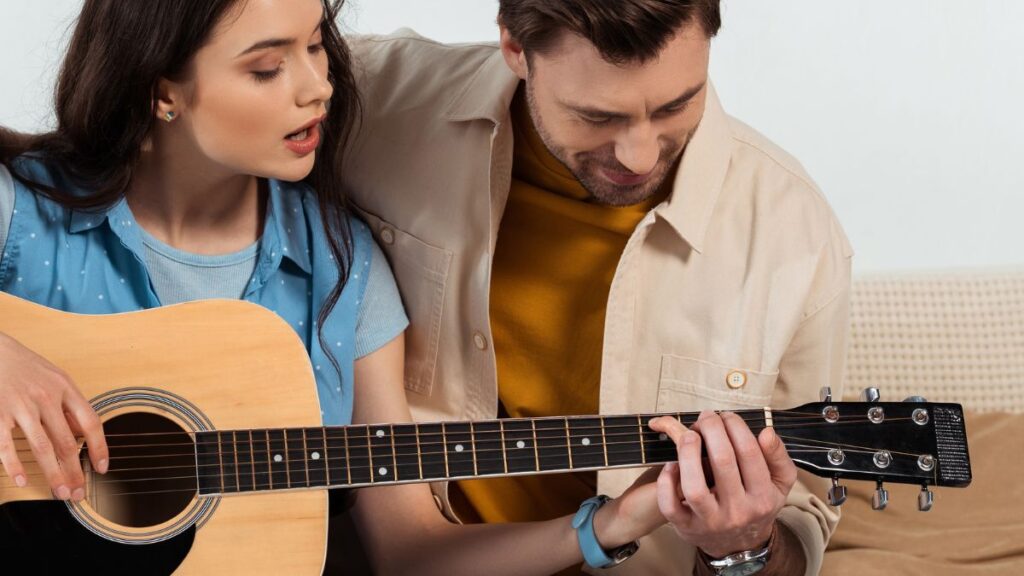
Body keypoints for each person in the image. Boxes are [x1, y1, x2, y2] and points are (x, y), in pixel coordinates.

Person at [0, 1, 717, 574]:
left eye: (316, 45)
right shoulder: (22, 215)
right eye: (266, 68)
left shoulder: (343, 271)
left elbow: (409, 552)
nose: (317, 86)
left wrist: (610, 526)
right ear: (163, 91)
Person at [339, 1, 852, 574]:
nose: (640, 155)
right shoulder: (366, 98)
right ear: (514, 48)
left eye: (676, 105)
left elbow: (800, 522)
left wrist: (743, 546)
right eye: (597, 117)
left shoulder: (796, 237)